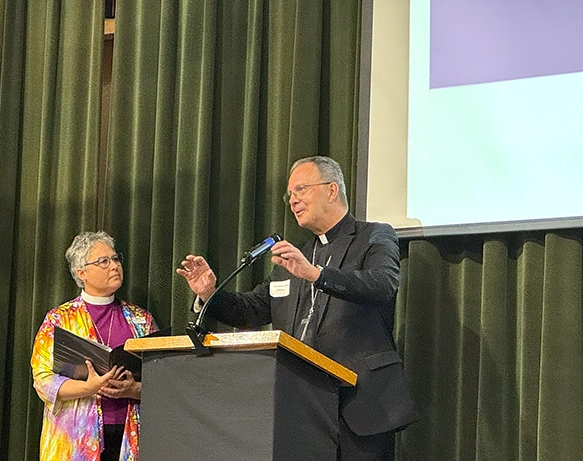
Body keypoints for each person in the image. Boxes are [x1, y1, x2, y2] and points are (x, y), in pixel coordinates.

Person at [177, 156, 419, 461]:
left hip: (360, 405)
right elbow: (253, 309)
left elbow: (382, 284)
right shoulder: (296, 256)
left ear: (332, 190)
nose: (293, 200)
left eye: (301, 189)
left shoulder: (373, 235)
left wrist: (317, 275)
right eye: (289, 194)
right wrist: (210, 293)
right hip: (300, 407)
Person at [31, 231, 159, 461]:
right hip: (75, 439)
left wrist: (133, 389)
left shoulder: (141, 319)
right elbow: (42, 380)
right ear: (82, 273)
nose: (114, 266)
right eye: (103, 261)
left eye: (116, 259)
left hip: (131, 435)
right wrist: (89, 387)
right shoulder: (59, 320)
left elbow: (164, 379)